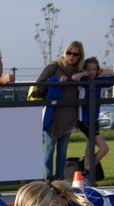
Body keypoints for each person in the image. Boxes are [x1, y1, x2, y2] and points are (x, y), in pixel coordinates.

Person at [33, 41, 85, 181]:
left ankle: (60, 176)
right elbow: (39, 84)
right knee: (49, 148)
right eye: (69, 53)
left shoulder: (79, 70)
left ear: (80, 56)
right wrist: (56, 81)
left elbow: (94, 74)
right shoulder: (55, 65)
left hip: (70, 115)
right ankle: (49, 177)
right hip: (53, 114)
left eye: (75, 54)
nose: (71, 56)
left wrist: (82, 74)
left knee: (62, 150)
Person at [72, 57, 114, 182]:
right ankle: (88, 171)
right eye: (89, 69)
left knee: (89, 148)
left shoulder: (101, 81)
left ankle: (86, 175)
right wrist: (84, 73)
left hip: (95, 120)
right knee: (104, 148)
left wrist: (106, 72)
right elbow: (74, 78)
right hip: (83, 119)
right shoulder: (83, 81)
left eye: (94, 69)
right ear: (85, 70)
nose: (92, 72)